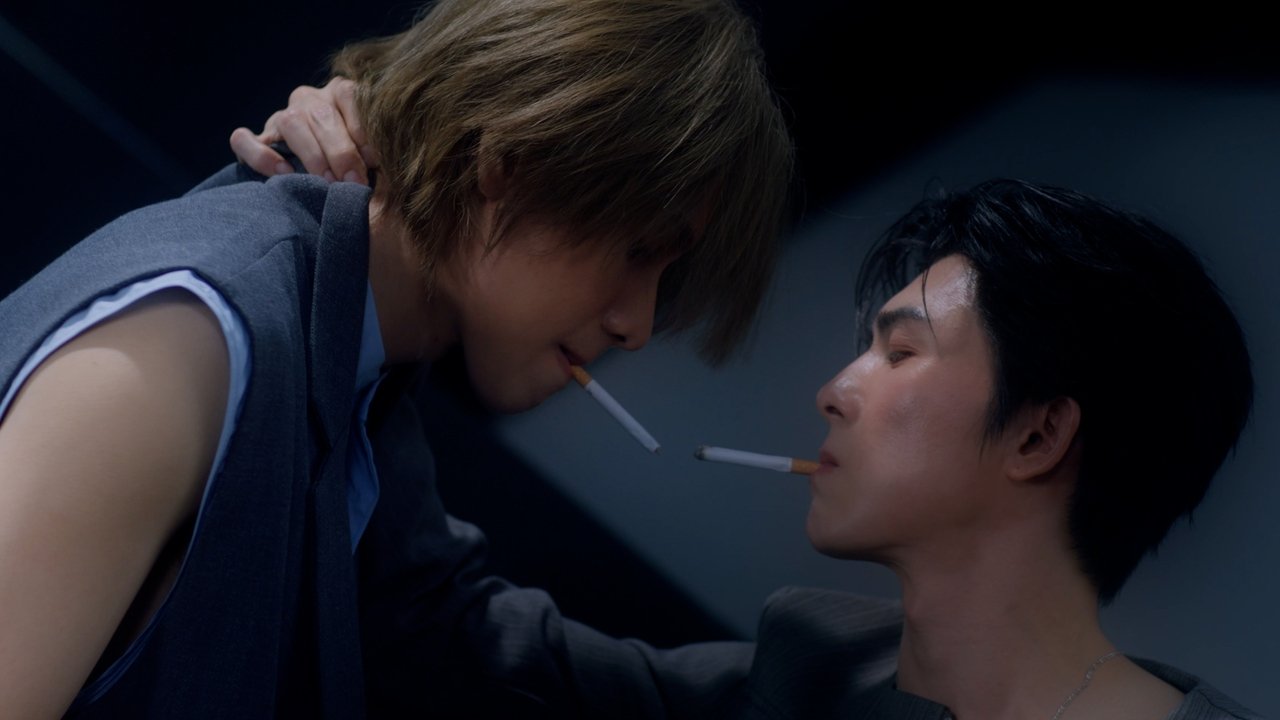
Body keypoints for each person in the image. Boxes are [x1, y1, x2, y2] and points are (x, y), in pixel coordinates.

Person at [238, 87, 1262, 716]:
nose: (833, 392)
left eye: (901, 352)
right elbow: (441, 636)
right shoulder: (808, 675)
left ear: (1038, 433)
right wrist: (383, 259)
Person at [0, 1, 793, 717]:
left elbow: (460, 635)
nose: (637, 325)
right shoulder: (194, 341)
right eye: (640, 250)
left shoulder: (356, 366)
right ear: (511, 161)